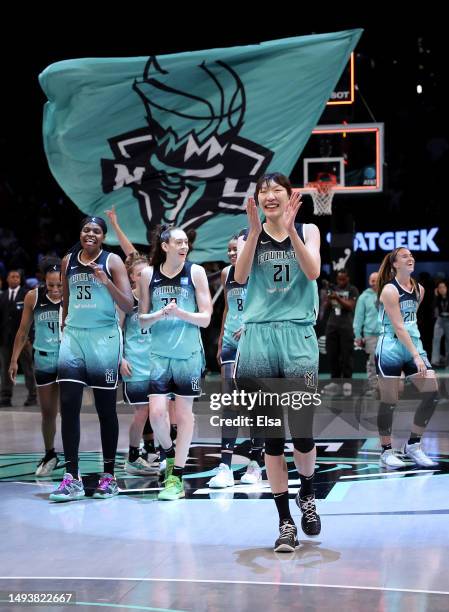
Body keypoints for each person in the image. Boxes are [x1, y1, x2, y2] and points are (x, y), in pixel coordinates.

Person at [234, 172, 321, 553]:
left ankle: (308, 494)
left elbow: (313, 271)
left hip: (297, 337)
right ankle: (285, 521)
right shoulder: (247, 237)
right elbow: (239, 277)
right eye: (263, 192)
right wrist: (254, 233)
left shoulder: (310, 231)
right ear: (256, 200)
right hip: (258, 339)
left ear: (289, 197)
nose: (270, 196)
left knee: (301, 433)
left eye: (276, 191)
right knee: (271, 439)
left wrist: (293, 233)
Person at [49, 216, 133, 501]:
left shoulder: (113, 261)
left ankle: (109, 476)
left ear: (103, 236)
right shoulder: (68, 261)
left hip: (103, 338)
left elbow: (128, 304)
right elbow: (67, 300)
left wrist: (105, 281)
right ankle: (71, 476)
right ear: (81, 232)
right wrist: (63, 328)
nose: (90, 233)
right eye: (86, 229)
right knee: (69, 404)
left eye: (97, 231)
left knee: (105, 409)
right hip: (73, 337)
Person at [139, 225, 211, 500]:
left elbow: (205, 318)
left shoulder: (195, 272)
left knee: (183, 417)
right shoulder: (148, 274)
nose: (185, 247)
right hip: (159, 355)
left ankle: (176, 478)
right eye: (179, 242)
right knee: (157, 414)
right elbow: (142, 320)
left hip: (189, 356)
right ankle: (168, 452)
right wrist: (159, 314)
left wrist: (180, 312)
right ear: (165, 245)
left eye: (186, 243)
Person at [375, 247, 438, 469]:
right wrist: (415, 355)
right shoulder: (389, 290)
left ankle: (413, 445)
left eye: (411, 255)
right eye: (404, 256)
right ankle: (385, 451)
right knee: (389, 401)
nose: (410, 258)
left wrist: (416, 352)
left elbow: (410, 324)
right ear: (394, 264)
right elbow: (399, 327)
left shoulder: (419, 290)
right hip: (391, 346)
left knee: (432, 394)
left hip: (413, 344)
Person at [209, 235, 264, 488]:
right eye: (229, 249)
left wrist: (252, 324)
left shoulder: (261, 271)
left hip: (255, 343)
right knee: (229, 403)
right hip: (232, 343)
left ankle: (255, 464)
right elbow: (228, 309)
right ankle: (225, 467)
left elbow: (271, 306)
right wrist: (221, 340)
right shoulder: (226, 273)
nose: (232, 253)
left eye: (237, 249)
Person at [8, 259, 63, 476]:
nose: (56, 289)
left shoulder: (73, 296)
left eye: (59, 285)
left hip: (69, 359)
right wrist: (13, 360)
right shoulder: (33, 297)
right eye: (51, 285)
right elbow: (22, 331)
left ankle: (73, 456)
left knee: (69, 411)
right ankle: (50, 453)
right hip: (44, 359)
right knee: (48, 412)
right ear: (44, 282)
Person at [119, 253, 159, 475]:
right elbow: (116, 330)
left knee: (157, 412)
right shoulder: (127, 301)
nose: (144, 276)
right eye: (139, 273)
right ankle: (133, 456)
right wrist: (120, 359)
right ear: (132, 277)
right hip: (134, 364)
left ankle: (153, 452)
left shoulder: (156, 299)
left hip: (156, 363)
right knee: (142, 412)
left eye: (148, 273)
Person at [0, 269, 37, 407]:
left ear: (20, 279)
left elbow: (33, 319)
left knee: (28, 368)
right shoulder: (2, 296)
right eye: (12, 276)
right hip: (5, 340)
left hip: (24, 340)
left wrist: (31, 337)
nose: (15, 279)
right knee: (5, 368)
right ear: (7, 279)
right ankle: (5, 397)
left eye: (17, 276)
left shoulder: (27, 294)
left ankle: (32, 396)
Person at [322, 270, 359, 397]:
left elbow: (350, 306)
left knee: (346, 355)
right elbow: (326, 306)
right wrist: (329, 298)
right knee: (332, 355)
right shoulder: (333, 289)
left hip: (346, 326)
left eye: (343, 279)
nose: (341, 282)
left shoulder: (352, 290)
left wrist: (337, 297)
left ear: (347, 278)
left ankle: (347, 381)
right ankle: (335, 381)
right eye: (339, 279)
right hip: (332, 326)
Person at [353, 271, 382, 397]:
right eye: (372, 280)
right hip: (370, 334)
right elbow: (358, 317)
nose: (373, 282)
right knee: (372, 362)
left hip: (386, 334)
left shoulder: (387, 294)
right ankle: (374, 387)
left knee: (387, 362)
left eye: (376, 279)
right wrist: (358, 335)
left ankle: (386, 387)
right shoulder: (364, 297)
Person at [431, 280, 449, 368]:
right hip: (440, 320)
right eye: (439, 288)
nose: (441, 289)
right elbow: (434, 309)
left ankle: (447, 361)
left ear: (446, 288)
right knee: (436, 340)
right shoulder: (437, 298)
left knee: (448, 341)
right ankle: (435, 361)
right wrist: (435, 296)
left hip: (448, 319)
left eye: (443, 287)